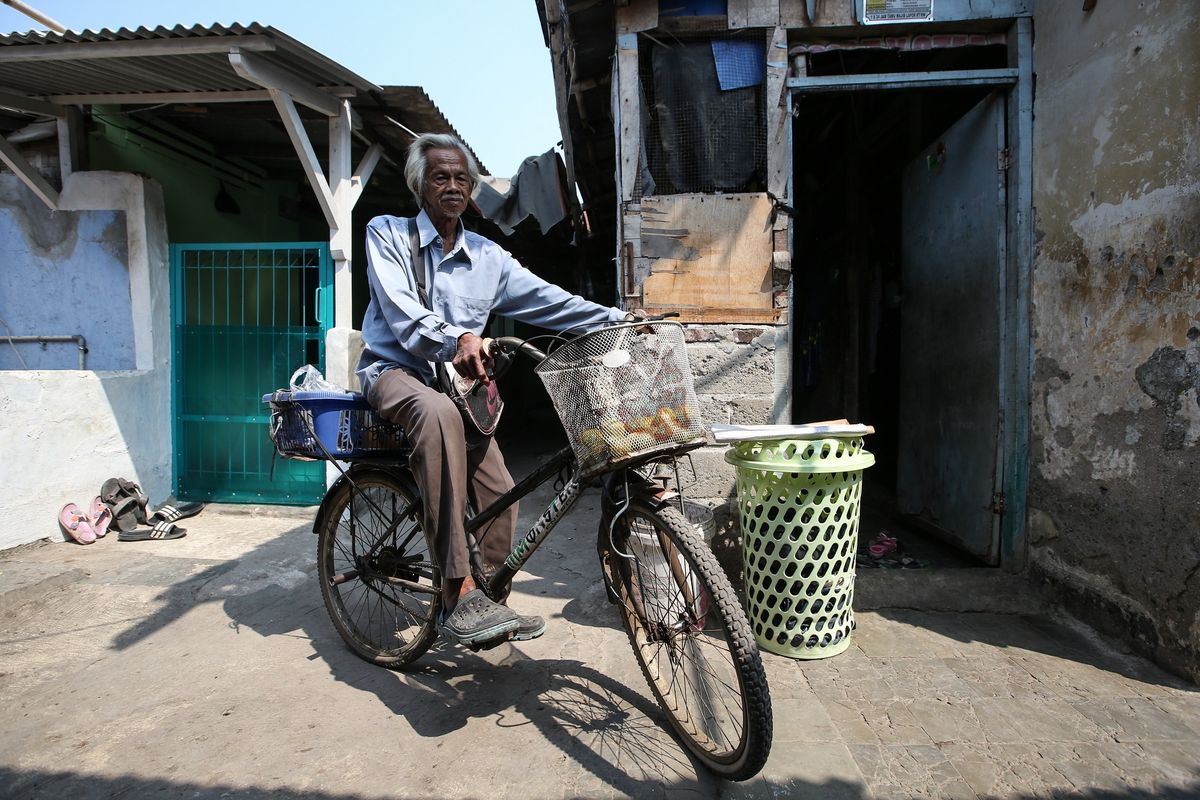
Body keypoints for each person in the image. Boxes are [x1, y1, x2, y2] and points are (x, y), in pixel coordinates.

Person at [357, 133, 630, 649]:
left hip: (460, 389)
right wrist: (456, 337)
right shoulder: (386, 233)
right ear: (420, 185)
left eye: (462, 177)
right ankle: (457, 590)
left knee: (504, 494)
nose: (453, 186)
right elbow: (401, 314)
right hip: (399, 375)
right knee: (435, 412)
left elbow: (552, 303)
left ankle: (486, 601)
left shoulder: (489, 256)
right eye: (441, 176)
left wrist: (620, 320)